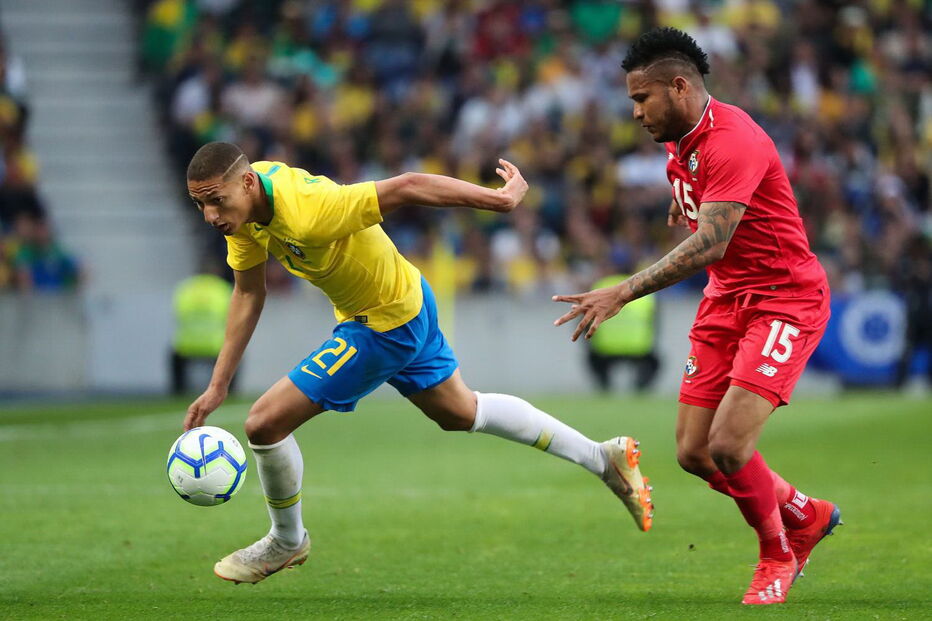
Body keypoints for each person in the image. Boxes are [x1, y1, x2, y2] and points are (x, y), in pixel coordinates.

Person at [182, 141, 654, 584]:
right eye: (201, 205)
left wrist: (501, 201)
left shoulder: (307, 211)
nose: (210, 215)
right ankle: (603, 457)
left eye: (216, 201)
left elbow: (406, 186)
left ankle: (287, 540)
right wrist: (218, 384)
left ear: (245, 185)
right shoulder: (246, 214)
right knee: (462, 412)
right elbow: (247, 291)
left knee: (264, 423)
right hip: (407, 298)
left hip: (382, 324)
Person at [553, 28, 840, 605]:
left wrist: (622, 291)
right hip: (726, 299)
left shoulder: (733, 141)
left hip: (783, 299)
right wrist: (685, 196)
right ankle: (807, 514)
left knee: (731, 446)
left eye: (642, 99)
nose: (635, 113)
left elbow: (711, 242)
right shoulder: (681, 138)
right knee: (694, 452)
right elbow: (704, 204)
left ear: (679, 87)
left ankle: (778, 552)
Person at [585, 273, 660, 392]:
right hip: (638, 348)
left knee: (592, 358)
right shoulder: (645, 288)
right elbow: (655, 322)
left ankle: (605, 387)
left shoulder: (600, 286)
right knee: (655, 362)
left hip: (605, 348)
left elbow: (586, 320)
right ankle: (640, 389)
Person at [170, 264, 234, 395]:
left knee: (174, 358)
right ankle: (229, 390)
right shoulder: (222, 288)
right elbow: (231, 317)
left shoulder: (186, 288)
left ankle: (178, 391)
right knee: (237, 354)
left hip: (186, 345)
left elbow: (178, 314)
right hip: (215, 346)